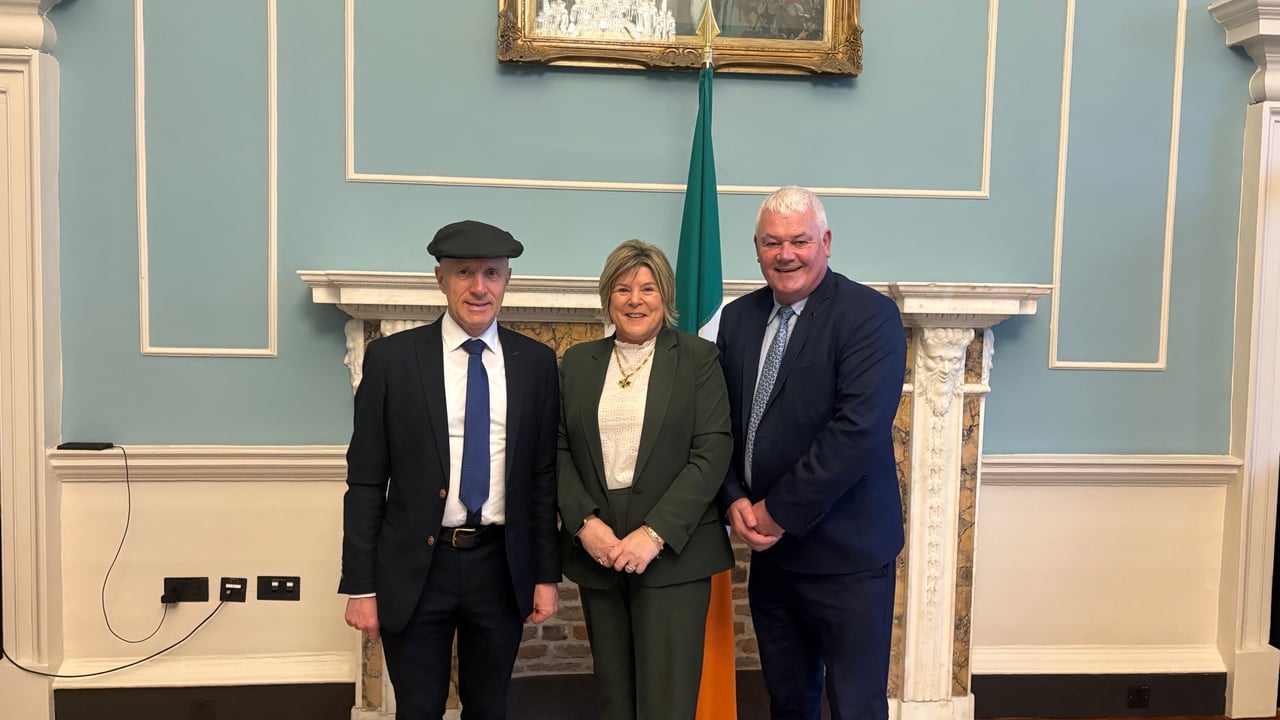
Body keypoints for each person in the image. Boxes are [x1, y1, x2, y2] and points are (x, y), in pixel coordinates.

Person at [338, 220, 562, 720]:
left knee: (489, 707)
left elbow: (542, 479)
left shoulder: (536, 363)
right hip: (417, 568)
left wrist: (546, 575)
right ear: (440, 278)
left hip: (500, 566)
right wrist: (361, 586)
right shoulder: (392, 360)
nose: (479, 288)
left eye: (491, 273)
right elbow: (366, 481)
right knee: (418, 708)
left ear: (507, 279)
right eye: (464, 272)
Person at [716, 186, 906, 720]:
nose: (786, 254)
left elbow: (856, 432)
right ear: (757, 248)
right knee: (788, 702)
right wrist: (732, 497)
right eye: (772, 242)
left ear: (825, 242)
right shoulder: (738, 318)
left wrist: (776, 512)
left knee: (854, 707)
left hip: (847, 558)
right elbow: (720, 423)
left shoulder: (869, 316)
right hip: (772, 560)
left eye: (799, 241)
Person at [558, 239, 734, 720]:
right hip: (600, 552)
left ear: (665, 296)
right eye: (622, 289)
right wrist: (583, 524)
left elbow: (712, 452)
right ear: (607, 296)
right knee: (616, 700)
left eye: (648, 288)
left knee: (666, 704)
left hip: (674, 556)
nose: (635, 300)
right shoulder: (577, 363)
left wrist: (654, 534)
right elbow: (557, 450)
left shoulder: (699, 359)